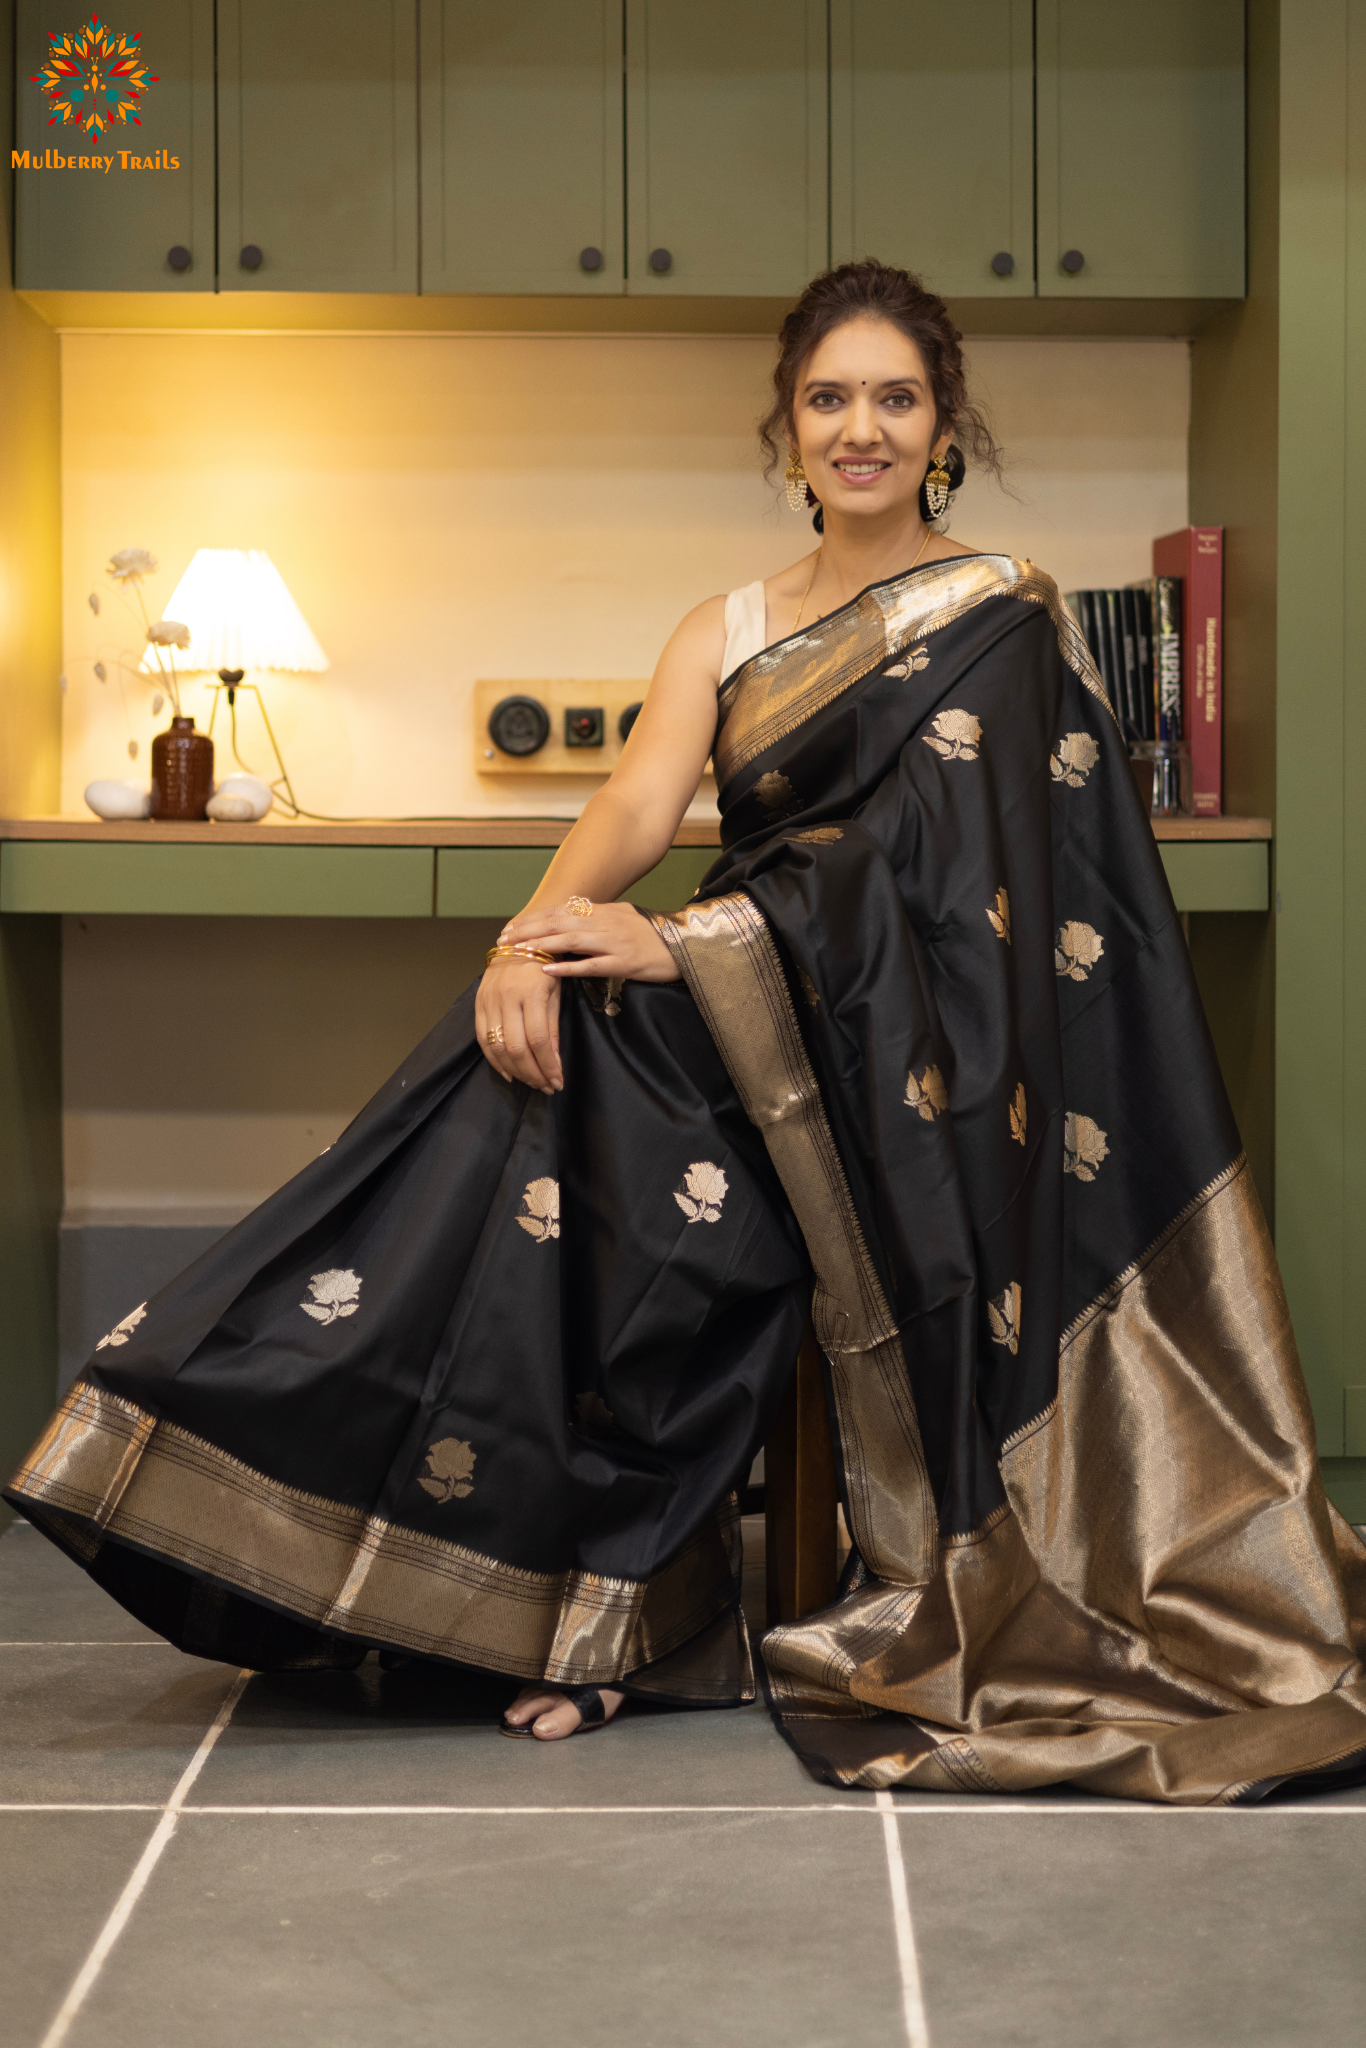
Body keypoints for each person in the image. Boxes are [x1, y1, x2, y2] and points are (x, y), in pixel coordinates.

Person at [10, 261, 1365, 1798]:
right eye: (827, 399)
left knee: (603, 1105)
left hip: (902, 1066)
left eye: (894, 398)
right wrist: (527, 944)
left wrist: (679, 941)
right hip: (740, 1002)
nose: (859, 429)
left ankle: (586, 1608)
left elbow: (957, 889)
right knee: (525, 1061)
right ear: (786, 430)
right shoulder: (724, 626)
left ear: (943, 428)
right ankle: (413, 1523)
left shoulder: (998, 613)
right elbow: (637, 805)